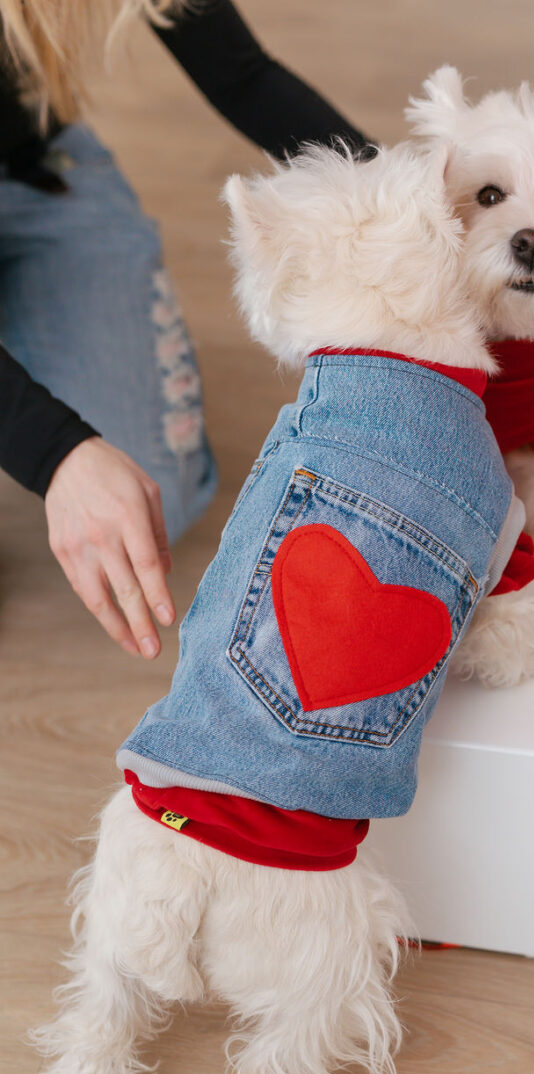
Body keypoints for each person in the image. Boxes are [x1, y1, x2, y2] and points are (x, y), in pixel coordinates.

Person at [0, 0, 368, 657]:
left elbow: (243, 78)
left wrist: (403, 201)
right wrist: (56, 451)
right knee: (69, 462)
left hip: (30, 171)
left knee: (149, 501)